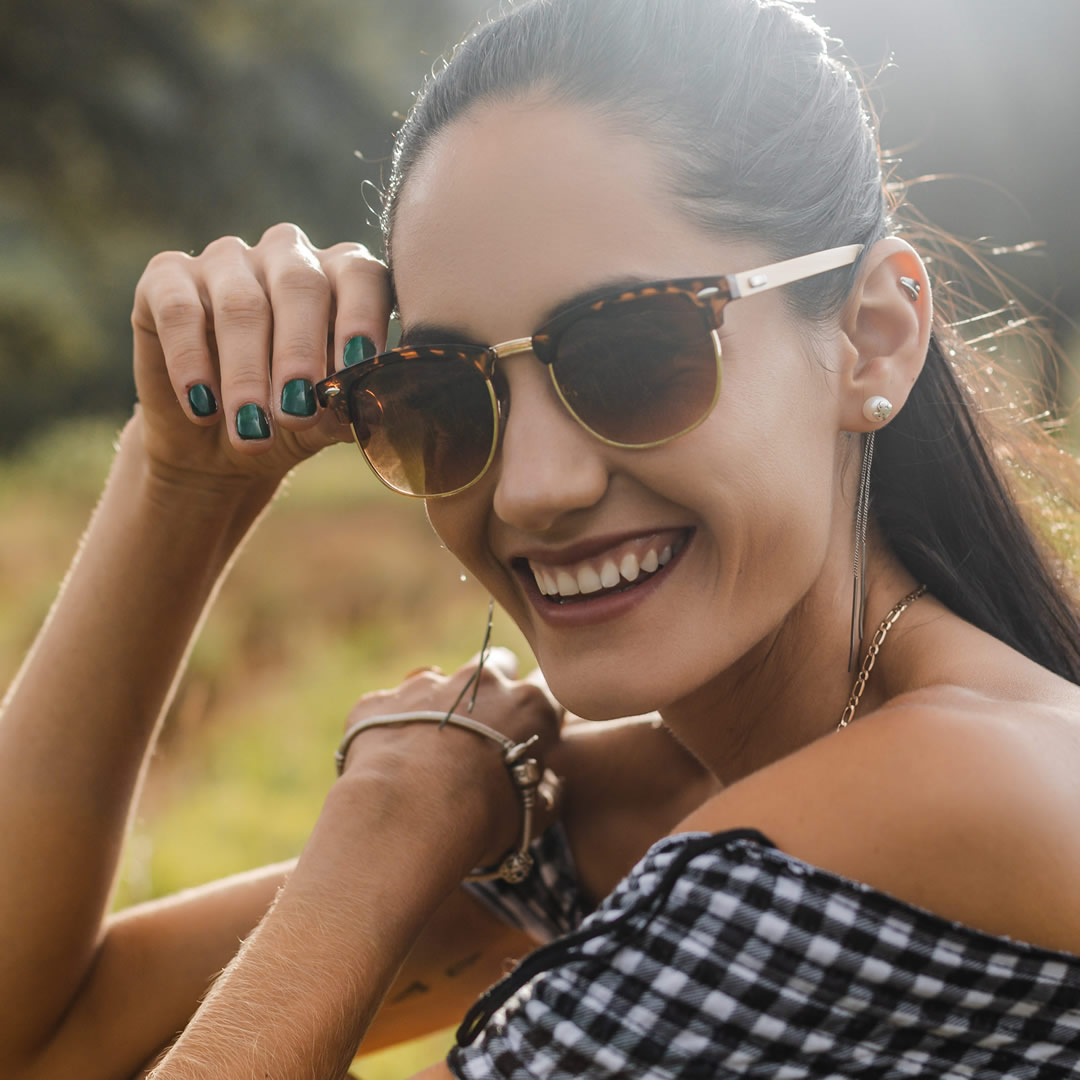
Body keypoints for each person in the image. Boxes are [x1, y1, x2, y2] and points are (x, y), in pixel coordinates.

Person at [4, 0, 1080, 1076]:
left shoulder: (898, 818)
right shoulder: (679, 797)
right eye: (442, 397)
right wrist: (181, 475)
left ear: (871, 340)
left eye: (635, 352)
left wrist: (379, 836)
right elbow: (43, 1035)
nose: (532, 488)